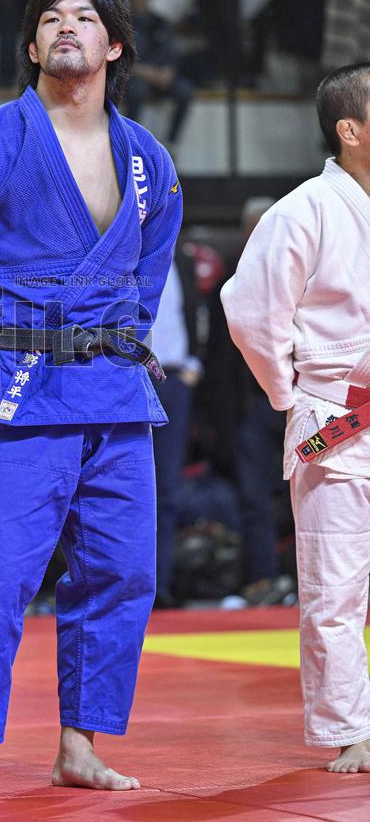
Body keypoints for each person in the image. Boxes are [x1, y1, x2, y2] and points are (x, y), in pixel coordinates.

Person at [0, 0, 182, 803]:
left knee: (121, 576)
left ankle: (79, 746)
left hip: (117, 394)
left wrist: (124, 339)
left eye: (86, 17)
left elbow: (149, 271)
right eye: (52, 17)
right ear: (30, 44)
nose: (68, 27)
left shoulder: (147, 160)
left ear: (115, 44)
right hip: (23, 385)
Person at [221, 63, 370, 772]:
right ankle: (354, 731)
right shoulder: (303, 210)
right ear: (350, 129)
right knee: (335, 587)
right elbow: (250, 312)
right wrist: (290, 394)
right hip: (337, 416)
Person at [204, 198, 295, 605]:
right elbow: (220, 366)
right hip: (255, 408)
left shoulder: (304, 274)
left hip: (303, 402)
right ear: (245, 233)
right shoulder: (231, 283)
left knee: (318, 493)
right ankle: (262, 579)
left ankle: (306, 579)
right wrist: (224, 427)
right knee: (255, 498)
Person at [149, 245, 202, 607]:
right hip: (129, 376)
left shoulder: (179, 257)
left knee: (166, 489)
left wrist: (193, 365)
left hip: (174, 379)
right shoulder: (120, 248)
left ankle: (160, 584)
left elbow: (194, 313)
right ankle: (120, 585)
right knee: (118, 486)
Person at [124, 0, 193, 145]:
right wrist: (141, 71)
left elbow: (171, 51)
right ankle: (133, 143)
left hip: (160, 75)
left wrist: (168, 71)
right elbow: (118, 56)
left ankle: (171, 143)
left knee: (184, 90)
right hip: (136, 75)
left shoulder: (159, 22)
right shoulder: (122, 23)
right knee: (136, 91)